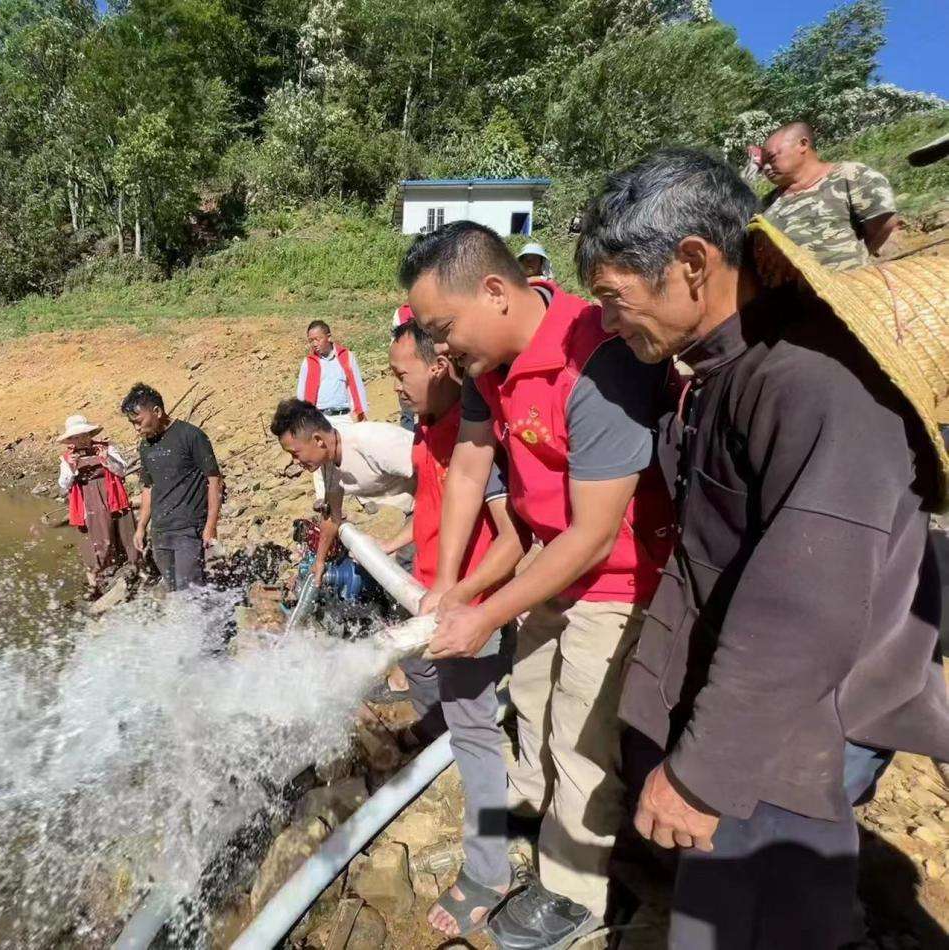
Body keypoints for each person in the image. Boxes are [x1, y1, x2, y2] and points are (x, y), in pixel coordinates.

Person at [576, 147, 949, 949]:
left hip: (804, 720)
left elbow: (800, 610)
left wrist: (704, 772)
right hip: (764, 712)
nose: (607, 323)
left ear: (692, 262)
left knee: (753, 922)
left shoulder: (812, 383)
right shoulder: (723, 368)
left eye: (614, 298)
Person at [401, 220, 676, 949]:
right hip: (549, 565)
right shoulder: (489, 364)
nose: (438, 350)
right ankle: (541, 821)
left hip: (617, 578)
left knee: (582, 733)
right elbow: (467, 467)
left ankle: (574, 892)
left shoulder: (598, 362)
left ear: (494, 291)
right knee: (527, 699)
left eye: (441, 328)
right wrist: (451, 583)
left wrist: (486, 613)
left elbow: (593, 533)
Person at [388, 319, 530, 938]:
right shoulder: (427, 430)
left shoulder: (472, 440)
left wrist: (464, 596)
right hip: (440, 607)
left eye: (401, 373)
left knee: (474, 740)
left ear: (439, 366)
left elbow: (513, 541)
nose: (394, 385)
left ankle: (488, 873)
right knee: (480, 729)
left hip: (468, 617)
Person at [269, 398, 413, 588]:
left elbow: (444, 488)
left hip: (445, 505)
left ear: (318, 440)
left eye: (295, 453)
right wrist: (319, 561)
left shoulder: (373, 443)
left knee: (409, 577)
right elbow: (332, 515)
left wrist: (391, 544)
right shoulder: (328, 461)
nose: (295, 461)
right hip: (417, 512)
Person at [757, 120, 899, 269]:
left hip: (845, 287)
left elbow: (884, 222)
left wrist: (856, 258)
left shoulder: (851, 176)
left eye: (772, 158)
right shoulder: (766, 204)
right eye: (763, 164)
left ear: (803, 144)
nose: (766, 168)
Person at [121, 383, 222, 592]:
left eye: (139, 422)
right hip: (160, 532)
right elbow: (148, 488)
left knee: (191, 591)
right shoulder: (145, 446)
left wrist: (211, 525)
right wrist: (141, 528)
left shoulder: (191, 435)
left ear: (157, 411)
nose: (137, 428)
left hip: (189, 528)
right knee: (174, 590)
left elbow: (214, 480)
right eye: (132, 424)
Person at [57, 414, 138, 590]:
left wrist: (106, 458)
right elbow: (64, 485)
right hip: (88, 501)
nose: (81, 440)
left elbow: (122, 471)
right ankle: (99, 580)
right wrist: (71, 467)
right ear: (71, 439)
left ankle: (134, 569)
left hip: (113, 495)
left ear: (90, 434)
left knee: (125, 531)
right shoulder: (67, 458)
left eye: (84, 435)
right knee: (98, 539)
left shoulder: (106, 448)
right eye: (76, 437)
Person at [296, 320, 369, 424]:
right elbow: (301, 393)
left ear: (329, 337)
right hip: (320, 419)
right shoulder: (308, 363)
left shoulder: (346, 357)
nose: (314, 344)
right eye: (311, 340)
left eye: (317, 339)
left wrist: (360, 412)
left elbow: (356, 386)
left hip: (345, 418)